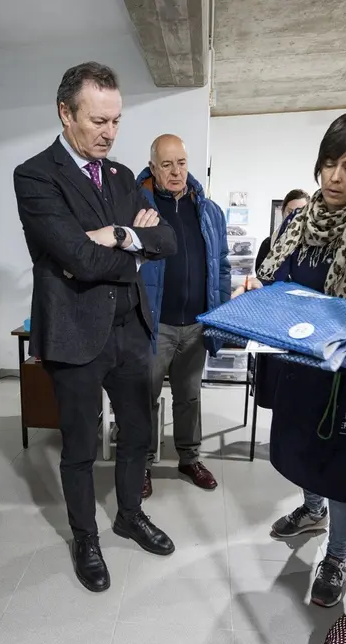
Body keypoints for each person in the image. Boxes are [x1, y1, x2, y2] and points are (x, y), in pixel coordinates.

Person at [13, 62, 178, 593]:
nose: (109, 132)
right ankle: (86, 537)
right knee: (81, 445)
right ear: (66, 114)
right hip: (75, 333)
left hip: (130, 327)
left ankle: (129, 515)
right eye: (97, 120)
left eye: (116, 121)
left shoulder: (125, 177)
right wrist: (129, 247)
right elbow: (76, 259)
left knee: (137, 434)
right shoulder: (36, 176)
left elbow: (166, 242)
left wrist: (115, 234)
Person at [236, 111, 346, 608]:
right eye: (328, 164)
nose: (334, 177)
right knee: (304, 444)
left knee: (342, 463)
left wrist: (289, 305)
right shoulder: (298, 222)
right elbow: (279, 278)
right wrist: (259, 293)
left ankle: (337, 557)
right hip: (303, 359)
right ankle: (311, 510)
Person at [136, 134, 230, 497]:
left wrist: (218, 315)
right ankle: (142, 462)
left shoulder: (209, 211)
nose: (175, 172)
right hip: (154, 324)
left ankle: (189, 458)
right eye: (166, 164)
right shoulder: (138, 209)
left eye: (181, 163)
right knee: (145, 394)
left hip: (196, 323)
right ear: (153, 167)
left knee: (189, 395)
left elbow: (221, 267)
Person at [255, 189, 309, 270]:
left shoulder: (315, 246)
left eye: (300, 213)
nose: (294, 217)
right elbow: (260, 276)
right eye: (290, 212)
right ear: (282, 211)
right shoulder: (268, 244)